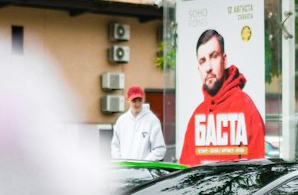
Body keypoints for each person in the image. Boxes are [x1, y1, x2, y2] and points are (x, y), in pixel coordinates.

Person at [178, 28, 266, 164]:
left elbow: (256, 175)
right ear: (199, 69)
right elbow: (185, 171)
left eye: (213, 56)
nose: (208, 67)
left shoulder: (247, 109)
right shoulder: (197, 116)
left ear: (224, 60)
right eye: (202, 61)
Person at [110, 85, 167, 161]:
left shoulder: (152, 120)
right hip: (124, 171)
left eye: (139, 100)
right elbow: (115, 147)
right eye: (134, 100)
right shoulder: (121, 121)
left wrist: (145, 164)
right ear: (128, 100)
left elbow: (160, 149)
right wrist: (120, 163)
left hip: (144, 171)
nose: (137, 104)